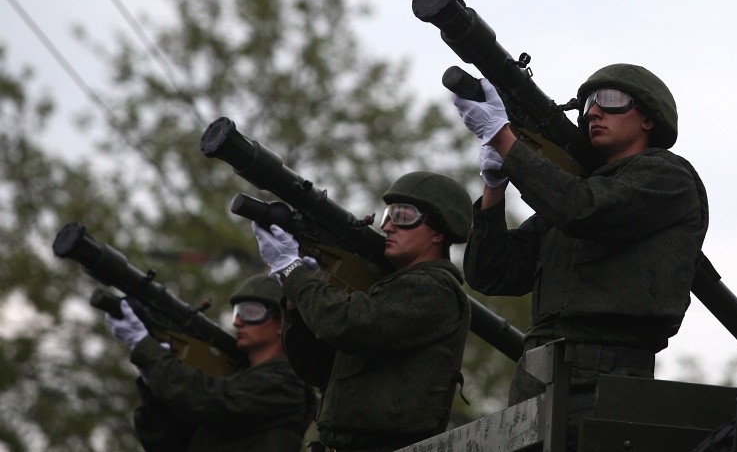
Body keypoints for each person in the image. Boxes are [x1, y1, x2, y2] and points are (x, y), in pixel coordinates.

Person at [453, 63, 708, 449]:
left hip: (608, 378)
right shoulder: (574, 197)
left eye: (610, 100)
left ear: (648, 118)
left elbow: (583, 210)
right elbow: (492, 273)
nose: (592, 111)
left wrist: (505, 141)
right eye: (588, 102)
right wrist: (493, 188)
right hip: (536, 374)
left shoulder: (666, 178)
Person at [251, 171, 473, 452]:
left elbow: (347, 324)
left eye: (403, 216)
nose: (389, 227)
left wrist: (295, 274)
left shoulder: (435, 289)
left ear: (439, 231)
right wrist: (295, 298)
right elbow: (317, 369)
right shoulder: (386, 290)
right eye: (387, 216)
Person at [105, 273, 316, 452]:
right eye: (236, 312)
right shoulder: (234, 382)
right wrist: (151, 378)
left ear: (282, 323)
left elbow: (213, 401)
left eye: (251, 312)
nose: (237, 322)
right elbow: (163, 441)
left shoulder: (289, 385)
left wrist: (148, 351)